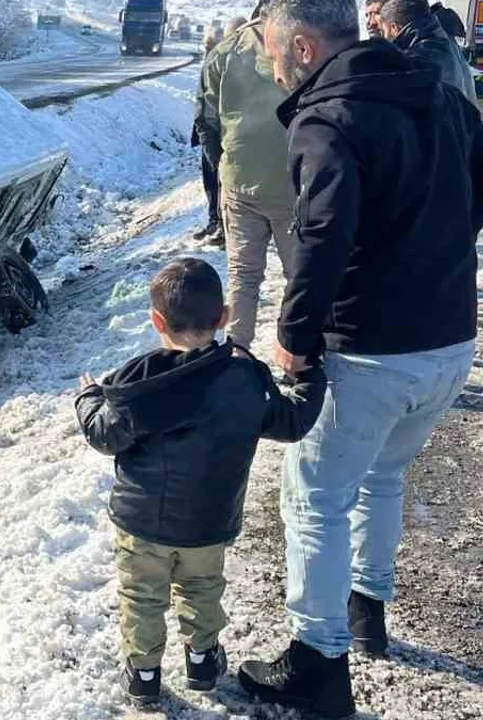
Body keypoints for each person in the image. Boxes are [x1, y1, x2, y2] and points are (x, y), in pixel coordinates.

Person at [241, 0, 481, 716]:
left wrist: (295, 333)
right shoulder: (436, 90)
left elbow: (321, 237)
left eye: (274, 52)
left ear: (306, 47)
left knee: (313, 497)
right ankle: (365, 609)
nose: (272, 65)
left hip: (370, 350)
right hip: (449, 340)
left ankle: (317, 663)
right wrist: (428, 257)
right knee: (382, 476)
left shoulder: (329, 117)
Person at [75, 258, 325, 708]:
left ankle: (144, 675)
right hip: (208, 523)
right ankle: (203, 660)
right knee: (202, 589)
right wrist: (311, 377)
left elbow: (104, 435)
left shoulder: (142, 381)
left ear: (156, 321)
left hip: (141, 524)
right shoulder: (245, 378)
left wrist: (89, 397)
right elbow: (291, 423)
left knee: (142, 597)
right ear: (224, 317)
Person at [197, 5, 298, 349]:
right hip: (292, 185)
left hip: (239, 184)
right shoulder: (301, 47)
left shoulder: (223, 52)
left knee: (244, 275)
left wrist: (223, 165)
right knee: (299, 276)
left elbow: (205, 120)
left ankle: (237, 351)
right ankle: (299, 350)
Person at [377, 0, 477, 101]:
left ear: (394, 28)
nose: (384, 36)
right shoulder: (444, 43)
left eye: (383, 31)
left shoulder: (418, 59)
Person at [192, 33, 224, 244]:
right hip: (208, 130)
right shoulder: (209, 62)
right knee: (211, 181)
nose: (207, 49)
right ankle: (214, 220)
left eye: (210, 45)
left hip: (217, 132)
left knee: (219, 179)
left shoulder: (221, 64)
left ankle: (222, 225)